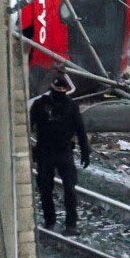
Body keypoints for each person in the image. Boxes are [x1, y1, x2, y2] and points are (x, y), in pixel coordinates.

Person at [30, 72, 90, 233]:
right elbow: (27, 126)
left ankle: (71, 224)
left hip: (63, 152)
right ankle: (51, 221)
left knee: (69, 189)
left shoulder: (71, 106)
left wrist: (85, 151)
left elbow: (80, 130)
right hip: (45, 152)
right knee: (45, 189)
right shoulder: (40, 105)